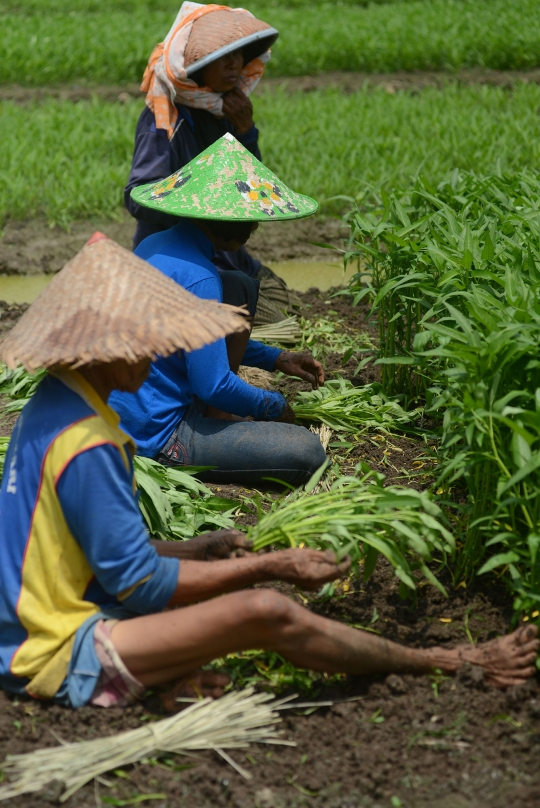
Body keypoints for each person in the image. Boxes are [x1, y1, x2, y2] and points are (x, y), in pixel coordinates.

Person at [0, 235, 537, 711]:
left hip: (40, 618)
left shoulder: (52, 409)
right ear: (102, 350)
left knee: (212, 582)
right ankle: (452, 660)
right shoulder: (86, 442)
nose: (156, 350)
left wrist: (198, 548)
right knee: (265, 610)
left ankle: (169, 679)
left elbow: (90, 556)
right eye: (145, 339)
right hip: (53, 649)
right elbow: (140, 584)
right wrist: (270, 567)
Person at [111, 134, 327, 487]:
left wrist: (275, 358)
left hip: (123, 410)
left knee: (239, 284)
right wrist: (273, 406)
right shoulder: (200, 279)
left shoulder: (153, 244)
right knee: (306, 452)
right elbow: (212, 383)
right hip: (155, 434)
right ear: (232, 221)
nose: (255, 228)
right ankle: (195, 435)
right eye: (251, 220)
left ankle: (214, 418)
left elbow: (197, 341)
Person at [126, 1, 295, 324]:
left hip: (227, 254)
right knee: (274, 325)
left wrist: (246, 131)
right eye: (223, 56)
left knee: (281, 299)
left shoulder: (223, 111)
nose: (235, 64)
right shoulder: (164, 119)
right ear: (197, 65)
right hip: (182, 257)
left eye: (238, 55)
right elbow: (138, 197)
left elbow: (250, 188)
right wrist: (201, 205)